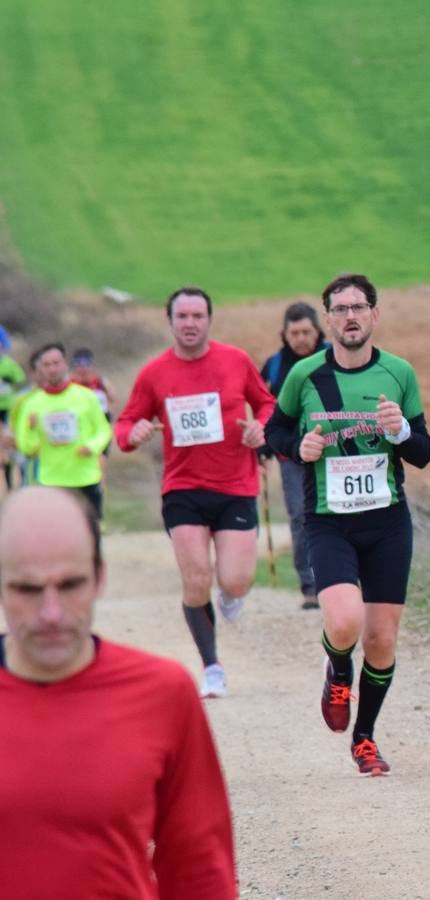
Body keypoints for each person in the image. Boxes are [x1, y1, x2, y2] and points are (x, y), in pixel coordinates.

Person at [0, 486, 236, 898]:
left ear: (100, 577)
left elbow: (200, 872)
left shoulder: (163, 694)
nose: (51, 613)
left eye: (71, 585)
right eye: (27, 589)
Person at [265, 273, 430, 776]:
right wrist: (299, 448)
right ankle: (338, 671)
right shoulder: (305, 376)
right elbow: (275, 428)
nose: (351, 316)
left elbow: (423, 451)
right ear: (328, 320)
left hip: (387, 522)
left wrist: (399, 429)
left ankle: (365, 738)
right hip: (329, 521)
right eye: (340, 309)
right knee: (344, 623)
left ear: (375, 315)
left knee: (381, 640)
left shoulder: (399, 373)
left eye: (359, 307)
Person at [115, 287, 275, 698]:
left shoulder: (235, 361)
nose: (189, 323)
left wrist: (262, 428)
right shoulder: (154, 373)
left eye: (197, 316)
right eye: (182, 316)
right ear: (170, 322)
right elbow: (125, 425)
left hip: (236, 485)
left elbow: (267, 404)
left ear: (209, 320)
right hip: (183, 488)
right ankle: (212, 667)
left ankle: (231, 593)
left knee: (235, 580)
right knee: (196, 579)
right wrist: (132, 434)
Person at [259, 303, 327, 609]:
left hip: (333, 454)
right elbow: (263, 410)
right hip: (291, 458)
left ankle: (338, 580)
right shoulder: (273, 367)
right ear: (285, 334)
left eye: (306, 332)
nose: (301, 338)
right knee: (301, 517)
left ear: (318, 331)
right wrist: (263, 447)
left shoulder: (335, 358)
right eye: (294, 332)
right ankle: (310, 584)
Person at [11, 342, 112, 517]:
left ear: (65, 364)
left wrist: (92, 446)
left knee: (90, 537)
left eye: (56, 363)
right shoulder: (31, 404)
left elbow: (104, 430)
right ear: (40, 369)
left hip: (85, 477)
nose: (52, 369)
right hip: (51, 479)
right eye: (47, 365)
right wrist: (33, 430)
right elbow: (26, 446)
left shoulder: (86, 396)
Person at [0, 325, 27, 492]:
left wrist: (8, 381)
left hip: (7, 407)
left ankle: (10, 483)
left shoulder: (9, 364)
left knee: (8, 443)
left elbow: (21, 381)